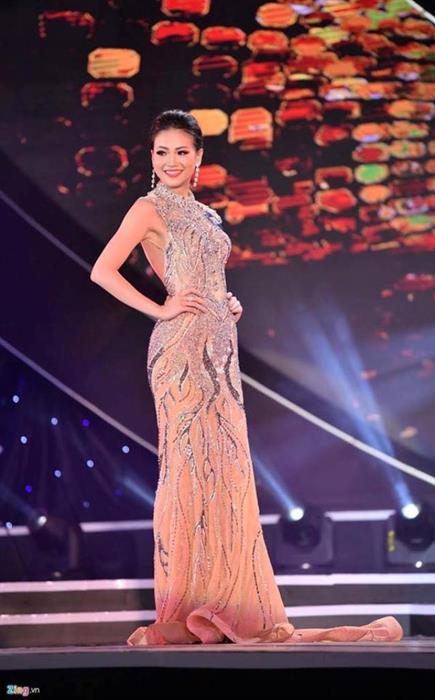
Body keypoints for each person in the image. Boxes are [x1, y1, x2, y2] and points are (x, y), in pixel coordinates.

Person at [90, 109, 403, 645]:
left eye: (181, 152)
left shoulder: (206, 215)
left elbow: (190, 275)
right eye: (162, 152)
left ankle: (223, 600)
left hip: (221, 348)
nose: (171, 161)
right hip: (181, 352)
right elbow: (103, 270)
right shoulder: (147, 208)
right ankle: (187, 601)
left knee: (225, 470)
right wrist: (162, 309)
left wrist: (222, 303)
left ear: (199, 157)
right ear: (151, 157)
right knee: (189, 467)